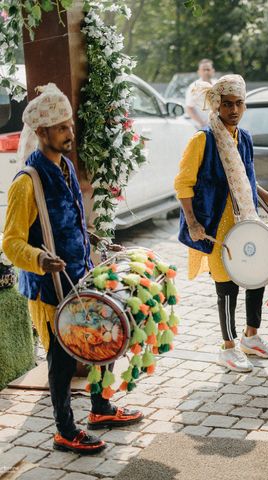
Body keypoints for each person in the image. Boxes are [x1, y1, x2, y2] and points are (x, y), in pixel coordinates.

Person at [2, 84, 143, 455]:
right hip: (49, 289)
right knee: (61, 361)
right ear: (43, 133)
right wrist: (39, 259)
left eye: (70, 125)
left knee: (98, 342)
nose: (70, 133)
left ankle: (100, 410)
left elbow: (69, 221)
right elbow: (10, 242)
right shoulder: (26, 183)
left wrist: (96, 242)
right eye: (62, 127)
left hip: (79, 278)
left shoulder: (64, 166)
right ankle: (65, 430)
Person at [175, 74, 268, 373]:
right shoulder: (202, 140)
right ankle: (228, 347)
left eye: (239, 104)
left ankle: (251, 337)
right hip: (217, 225)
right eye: (227, 104)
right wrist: (192, 222)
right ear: (217, 106)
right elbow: (183, 184)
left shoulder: (244, 138)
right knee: (227, 283)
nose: (233, 110)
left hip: (246, 219)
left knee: (257, 274)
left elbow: (248, 180)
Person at [185, 58, 216, 129]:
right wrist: (202, 123)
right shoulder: (194, 87)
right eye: (203, 70)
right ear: (199, 72)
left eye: (208, 69)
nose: (206, 72)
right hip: (200, 127)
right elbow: (189, 108)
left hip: (216, 127)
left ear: (213, 71)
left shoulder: (218, 85)